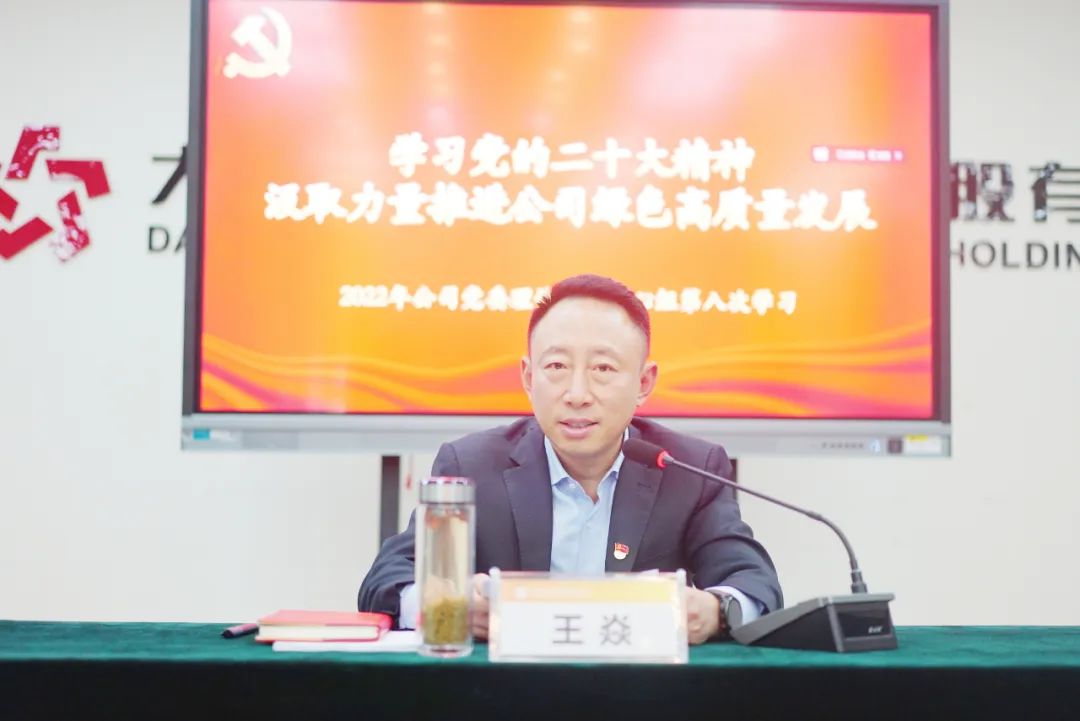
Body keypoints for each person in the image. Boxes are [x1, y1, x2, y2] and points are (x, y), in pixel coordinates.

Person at [359, 274, 781, 643]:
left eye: (603, 369)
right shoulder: (471, 467)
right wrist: (451, 605)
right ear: (529, 377)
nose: (577, 394)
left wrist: (715, 610)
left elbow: (755, 585)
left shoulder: (689, 469)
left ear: (644, 382)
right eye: (557, 366)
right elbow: (386, 580)